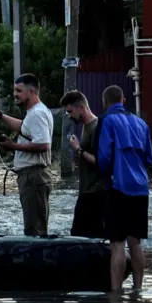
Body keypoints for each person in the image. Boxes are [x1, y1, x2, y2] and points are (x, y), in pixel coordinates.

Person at [95, 85, 152, 293]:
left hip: (118, 186)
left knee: (117, 243)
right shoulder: (141, 123)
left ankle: (116, 292)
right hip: (141, 188)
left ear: (105, 102)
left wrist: (105, 177)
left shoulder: (106, 121)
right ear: (124, 100)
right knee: (135, 242)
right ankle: (138, 288)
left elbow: (104, 158)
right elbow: (149, 158)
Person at [0, 73, 54, 236]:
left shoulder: (37, 113)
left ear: (32, 92)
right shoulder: (35, 112)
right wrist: (0, 115)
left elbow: (44, 144)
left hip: (34, 177)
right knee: (33, 227)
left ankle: (36, 261)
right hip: (31, 177)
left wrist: (13, 145)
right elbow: (23, 127)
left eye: (19, 90)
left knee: (34, 230)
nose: (15, 94)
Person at [60, 90, 107, 238]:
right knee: (81, 233)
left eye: (70, 111)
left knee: (85, 234)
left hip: (97, 192)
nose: (69, 115)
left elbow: (100, 162)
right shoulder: (85, 127)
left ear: (81, 107)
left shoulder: (97, 127)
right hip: (87, 190)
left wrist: (78, 149)